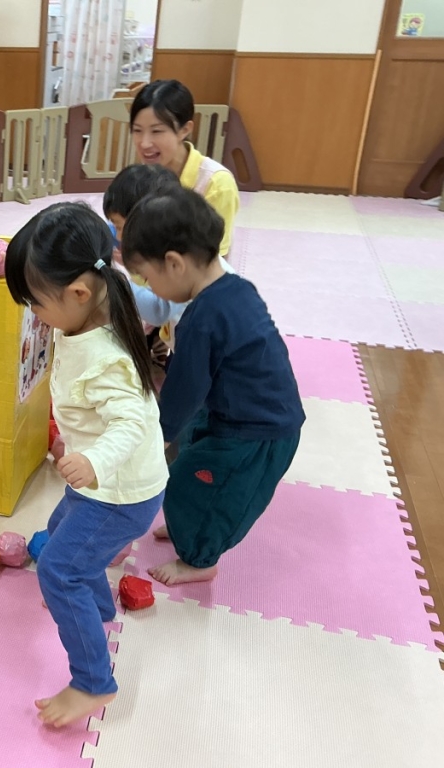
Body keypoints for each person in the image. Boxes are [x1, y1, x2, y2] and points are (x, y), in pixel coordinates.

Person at [4, 202, 167, 728]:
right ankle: (95, 611)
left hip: (121, 491)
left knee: (59, 567)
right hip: (102, 483)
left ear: (76, 293)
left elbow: (132, 422)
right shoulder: (88, 310)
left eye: (36, 304)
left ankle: (93, 683)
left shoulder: (107, 358)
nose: (34, 314)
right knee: (59, 535)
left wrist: (93, 460)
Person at [121, 186, 304, 587]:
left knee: (192, 480)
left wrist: (154, 438)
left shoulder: (201, 319)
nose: (150, 288)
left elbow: (182, 393)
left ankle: (200, 559)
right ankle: (189, 520)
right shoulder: (237, 287)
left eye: (148, 278)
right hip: (231, 410)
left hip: (256, 432)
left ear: (174, 264)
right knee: (189, 465)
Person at [103, 163, 236, 361]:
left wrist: (115, 284)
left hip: (213, 361)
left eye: (121, 227)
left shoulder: (179, 268)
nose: (119, 236)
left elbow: (158, 309)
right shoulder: (183, 243)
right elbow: (109, 234)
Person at [130, 79, 240, 258]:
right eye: (137, 130)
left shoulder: (216, 183)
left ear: (184, 129)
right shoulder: (139, 178)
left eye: (157, 131)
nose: (144, 143)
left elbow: (212, 260)